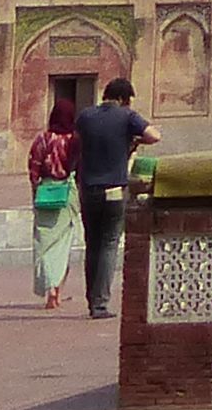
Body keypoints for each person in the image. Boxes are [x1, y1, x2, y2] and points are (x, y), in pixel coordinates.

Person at [72, 74, 156, 319]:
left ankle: (92, 300)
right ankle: (100, 304)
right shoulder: (126, 116)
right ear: (123, 98)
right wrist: (134, 139)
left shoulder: (85, 116)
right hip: (114, 190)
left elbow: (78, 141)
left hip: (88, 189)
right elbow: (154, 135)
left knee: (93, 244)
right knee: (109, 245)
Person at [28, 96, 82, 309]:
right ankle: (57, 291)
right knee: (63, 244)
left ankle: (48, 288)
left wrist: (35, 194)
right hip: (67, 193)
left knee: (44, 244)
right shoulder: (75, 140)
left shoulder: (43, 139)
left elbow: (33, 168)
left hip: (45, 193)